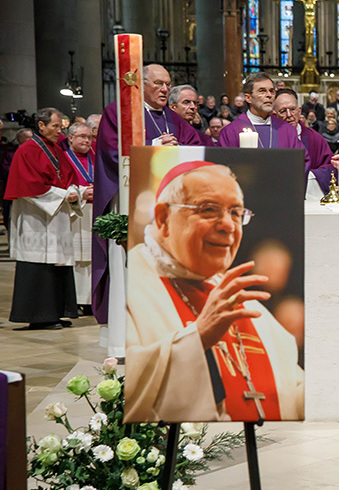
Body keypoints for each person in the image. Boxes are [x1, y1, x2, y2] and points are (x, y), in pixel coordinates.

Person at [125, 162, 304, 422]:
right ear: (163, 218)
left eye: (236, 213)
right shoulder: (131, 284)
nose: (228, 226)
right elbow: (122, 390)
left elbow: (292, 390)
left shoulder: (242, 301)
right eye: (209, 210)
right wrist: (197, 337)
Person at [94, 64, 202, 326]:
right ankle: (126, 328)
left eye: (167, 84)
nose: (165, 89)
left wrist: (180, 150)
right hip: (134, 201)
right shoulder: (119, 113)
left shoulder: (173, 118)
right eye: (158, 84)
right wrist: (154, 147)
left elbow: (198, 146)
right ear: (141, 84)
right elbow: (111, 151)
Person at [4, 108, 81, 330]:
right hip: (35, 217)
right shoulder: (27, 150)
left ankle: (55, 312)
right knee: (39, 265)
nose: (60, 131)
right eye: (56, 126)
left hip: (56, 215)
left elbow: (69, 176)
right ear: (41, 126)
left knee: (56, 263)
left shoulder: (55, 149)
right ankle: (39, 316)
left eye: (61, 126)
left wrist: (74, 190)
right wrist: (64, 195)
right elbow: (28, 186)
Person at [269, 88, 336, 197]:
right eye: (283, 111)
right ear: (274, 114)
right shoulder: (268, 138)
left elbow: (330, 168)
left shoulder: (314, 138)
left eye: (292, 109)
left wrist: (309, 177)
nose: (289, 114)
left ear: (299, 111)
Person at [61, 122, 96, 313]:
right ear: (71, 137)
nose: (86, 140)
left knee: (92, 258)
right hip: (74, 212)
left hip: (93, 212)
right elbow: (61, 185)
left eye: (89, 137)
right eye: (82, 136)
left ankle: (90, 300)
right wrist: (82, 193)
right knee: (76, 257)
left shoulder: (95, 157)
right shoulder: (63, 158)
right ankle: (75, 300)